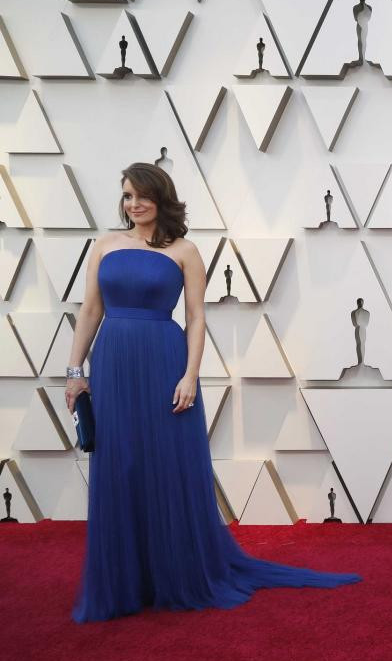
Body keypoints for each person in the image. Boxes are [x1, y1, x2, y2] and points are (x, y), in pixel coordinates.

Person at [65, 163, 360, 623]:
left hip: (165, 362)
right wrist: (73, 370)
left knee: (165, 467)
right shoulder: (104, 246)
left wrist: (190, 375)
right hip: (113, 365)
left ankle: (174, 574)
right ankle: (125, 581)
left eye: (141, 195)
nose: (133, 204)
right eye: (126, 196)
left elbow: (198, 318)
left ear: (161, 199)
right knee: (119, 465)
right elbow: (90, 311)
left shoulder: (185, 250)